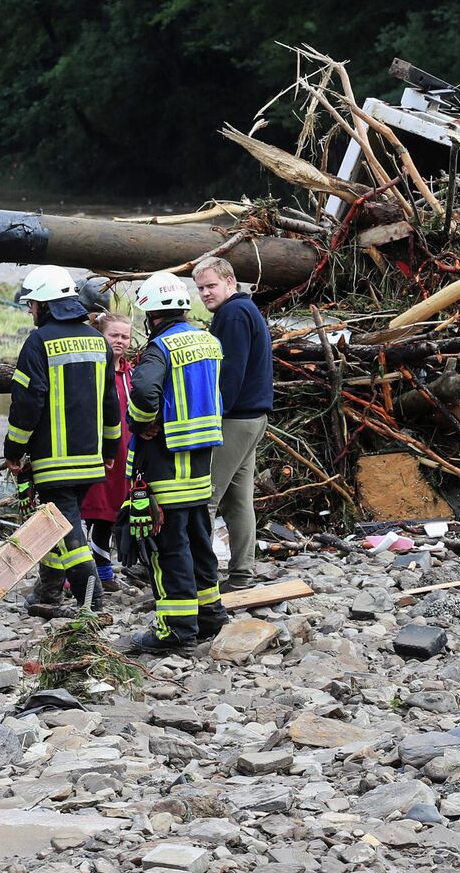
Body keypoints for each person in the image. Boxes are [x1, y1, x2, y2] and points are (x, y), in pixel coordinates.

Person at [122, 272, 227, 654]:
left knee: (167, 547)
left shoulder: (159, 348)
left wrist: (141, 422)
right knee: (200, 539)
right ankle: (210, 614)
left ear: (151, 314)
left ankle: (176, 630)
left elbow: (145, 391)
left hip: (167, 464)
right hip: (201, 461)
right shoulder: (208, 341)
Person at [5, 264, 119, 616]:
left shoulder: (38, 342)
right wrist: (111, 448)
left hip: (54, 461)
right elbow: (110, 401)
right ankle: (49, 591)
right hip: (90, 458)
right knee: (58, 524)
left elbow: (27, 402)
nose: (29, 310)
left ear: (46, 304)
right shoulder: (97, 339)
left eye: (32, 304)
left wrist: (14, 449)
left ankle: (91, 599)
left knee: (69, 534)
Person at [193, 256, 271, 591]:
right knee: (238, 500)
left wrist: (212, 416)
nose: (206, 294)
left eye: (211, 285)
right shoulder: (244, 310)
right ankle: (242, 574)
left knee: (204, 499)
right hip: (253, 417)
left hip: (235, 420)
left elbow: (230, 373)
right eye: (200, 289)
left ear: (230, 281)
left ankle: (200, 580)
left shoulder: (234, 314)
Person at [79, 312, 137, 589]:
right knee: (92, 510)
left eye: (125, 336)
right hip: (97, 451)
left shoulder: (130, 372)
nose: (120, 341)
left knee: (113, 510)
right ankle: (84, 573)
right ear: (100, 335)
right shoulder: (91, 369)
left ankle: (104, 570)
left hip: (124, 453)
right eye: (114, 335)